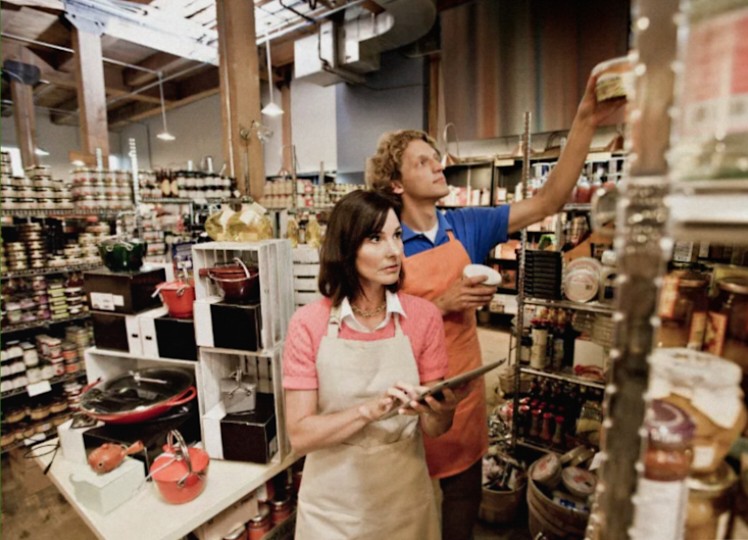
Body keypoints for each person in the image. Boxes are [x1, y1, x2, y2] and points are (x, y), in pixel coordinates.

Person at [366, 73, 625, 539]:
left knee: (464, 493)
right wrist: (438, 302)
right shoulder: (383, 239)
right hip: (407, 393)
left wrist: (585, 121)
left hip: (461, 385)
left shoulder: (465, 225)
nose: (438, 165)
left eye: (436, 157)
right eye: (422, 162)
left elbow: (551, 199)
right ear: (396, 183)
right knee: (407, 503)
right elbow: (366, 319)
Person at [283, 189, 463, 540]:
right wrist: (369, 411)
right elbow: (301, 436)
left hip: (404, 503)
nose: (394, 251)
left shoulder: (423, 317)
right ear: (347, 247)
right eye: (375, 238)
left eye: (397, 236)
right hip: (332, 511)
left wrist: (442, 411)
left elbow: (434, 429)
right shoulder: (308, 324)